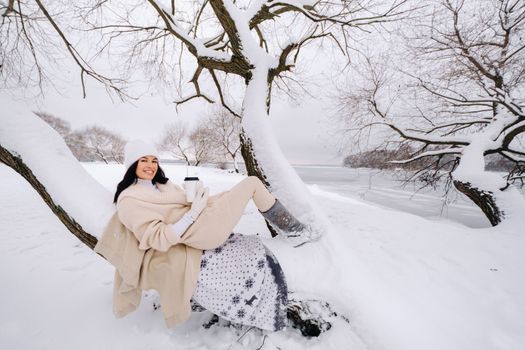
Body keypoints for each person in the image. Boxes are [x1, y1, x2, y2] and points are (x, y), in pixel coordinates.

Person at [94, 140, 310, 332]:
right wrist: (193, 213)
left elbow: (182, 205)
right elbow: (158, 237)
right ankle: (296, 231)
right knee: (252, 183)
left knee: (238, 190)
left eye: (153, 160)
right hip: (197, 231)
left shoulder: (163, 185)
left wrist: (197, 197)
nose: (150, 165)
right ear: (132, 165)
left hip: (199, 219)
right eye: (143, 160)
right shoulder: (130, 200)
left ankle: (292, 229)